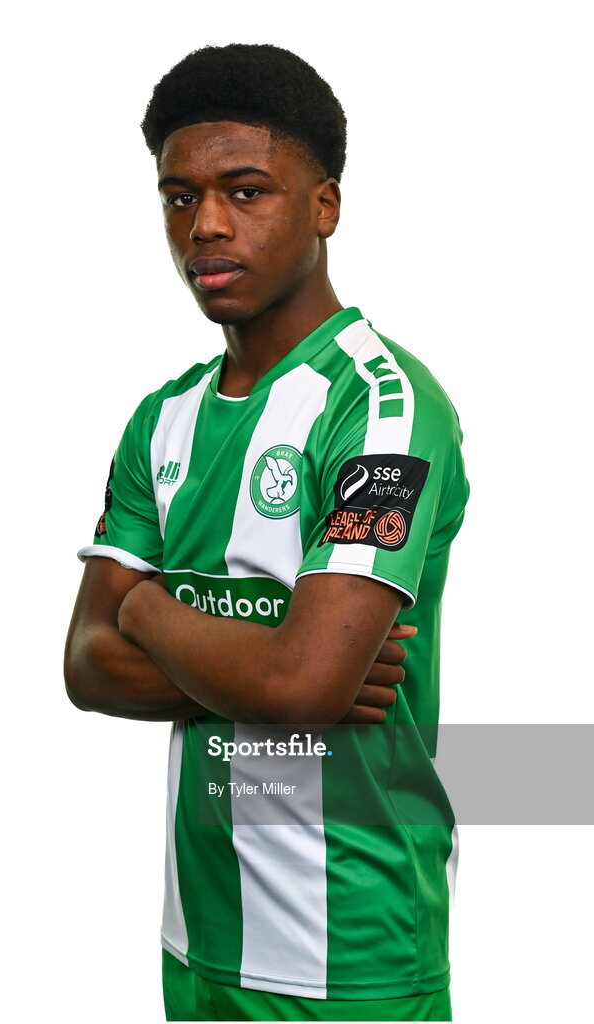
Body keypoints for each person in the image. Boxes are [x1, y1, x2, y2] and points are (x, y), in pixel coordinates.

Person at [64, 43, 469, 1023]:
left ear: (323, 206)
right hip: (198, 939)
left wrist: (151, 608)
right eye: (179, 196)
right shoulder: (161, 419)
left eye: (246, 191)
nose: (205, 224)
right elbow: (85, 662)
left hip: (355, 948)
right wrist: (276, 661)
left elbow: (304, 684)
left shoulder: (383, 409)